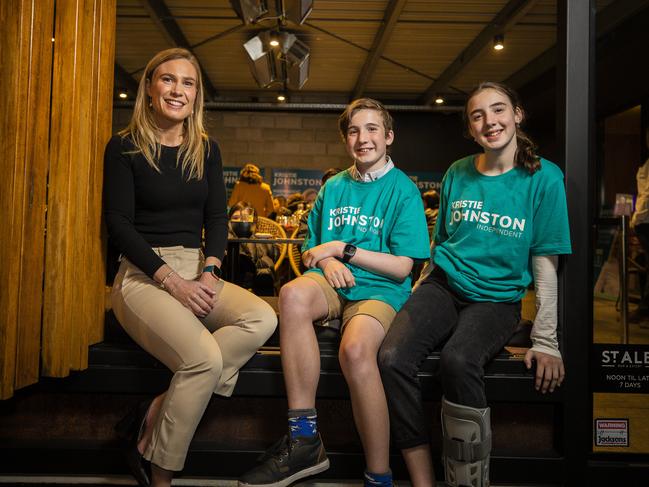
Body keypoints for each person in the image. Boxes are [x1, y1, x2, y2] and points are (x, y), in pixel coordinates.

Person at [378, 81, 572, 487]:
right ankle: (422, 476)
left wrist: (546, 339)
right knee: (392, 357)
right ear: (470, 128)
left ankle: (466, 478)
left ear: (517, 115)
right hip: (444, 286)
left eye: (498, 110)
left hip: (497, 300)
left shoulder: (545, 178)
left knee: (458, 360)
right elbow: (441, 244)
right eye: (478, 115)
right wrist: (421, 292)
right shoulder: (457, 172)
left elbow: (546, 263)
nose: (490, 121)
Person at [104, 48, 277, 487]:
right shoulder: (124, 147)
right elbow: (118, 224)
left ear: (196, 95)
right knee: (201, 359)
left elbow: (217, 218)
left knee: (262, 317)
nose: (177, 90)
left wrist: (211, 270)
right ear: (148, 87)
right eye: (168, 80)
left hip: (197, 267)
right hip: (143, 275)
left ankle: (157, 409)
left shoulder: (206, 149)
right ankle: (159, 471)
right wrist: (171, 281)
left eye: (188, 82)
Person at [238, 98, 430, 487]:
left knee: (355, 350)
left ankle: (378, 476)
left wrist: (343, 250)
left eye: (372, 129)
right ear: (346, 140)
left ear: (388, 136)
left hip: (380, 290)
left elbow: (403, 267)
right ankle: (304, 438)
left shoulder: (404, 190)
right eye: (355, 131)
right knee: (291, 295)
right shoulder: (333, 187)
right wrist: (327, 262)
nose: (363, 138)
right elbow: (310, 250)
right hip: (333, 283)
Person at [228, 201, 279, 295]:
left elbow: (274, 255)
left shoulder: (260, 239)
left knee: (265, 270)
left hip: (257, 277)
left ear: (254, 221)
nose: (240, 221)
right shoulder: (224, 238)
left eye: (245, 217)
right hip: (231, 276)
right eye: (235, 218)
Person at [630, 128, 649, 322]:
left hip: (645, 221)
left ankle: (644, 307)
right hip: (644, 221)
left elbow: (647, 196)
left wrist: (637, 218)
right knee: (644, 262)